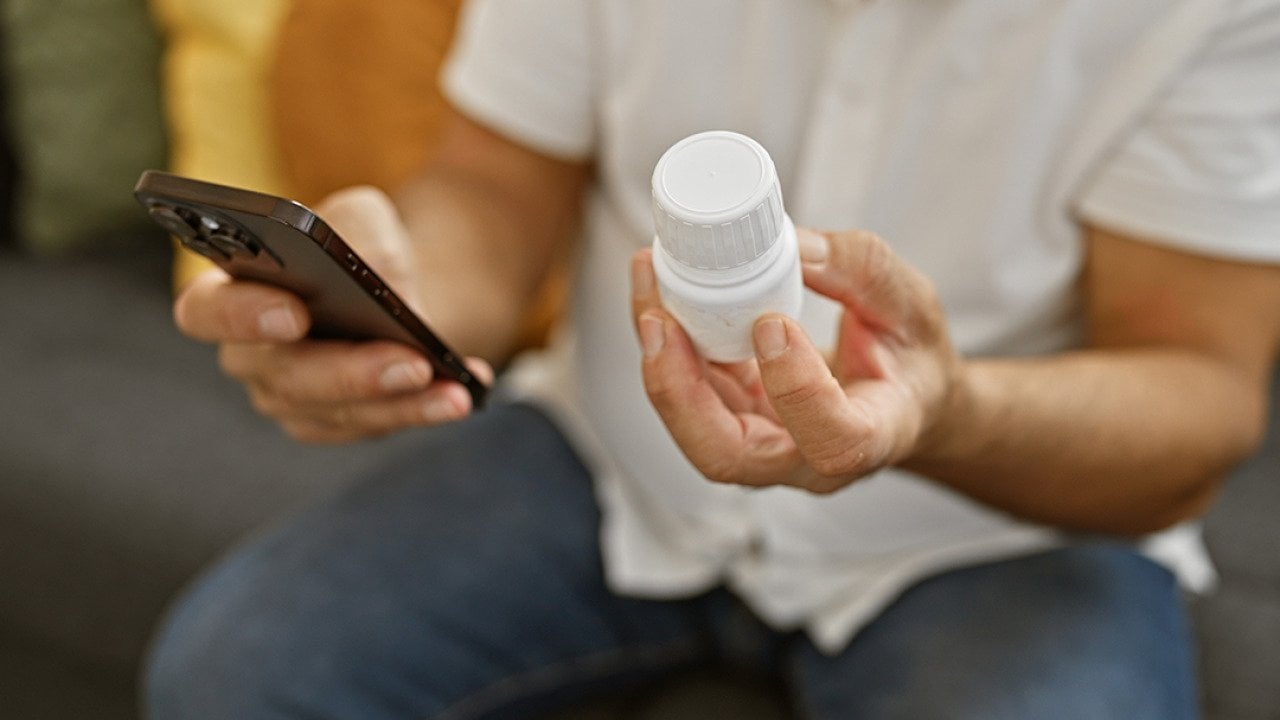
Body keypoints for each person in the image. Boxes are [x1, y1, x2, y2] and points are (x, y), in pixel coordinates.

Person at [147, 1, 1280, 718]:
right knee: (234, 674)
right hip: (610, 455)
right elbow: (493, 192)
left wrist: (945, 410)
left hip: (999, 528)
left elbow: (1197, 394)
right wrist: (391, 295)